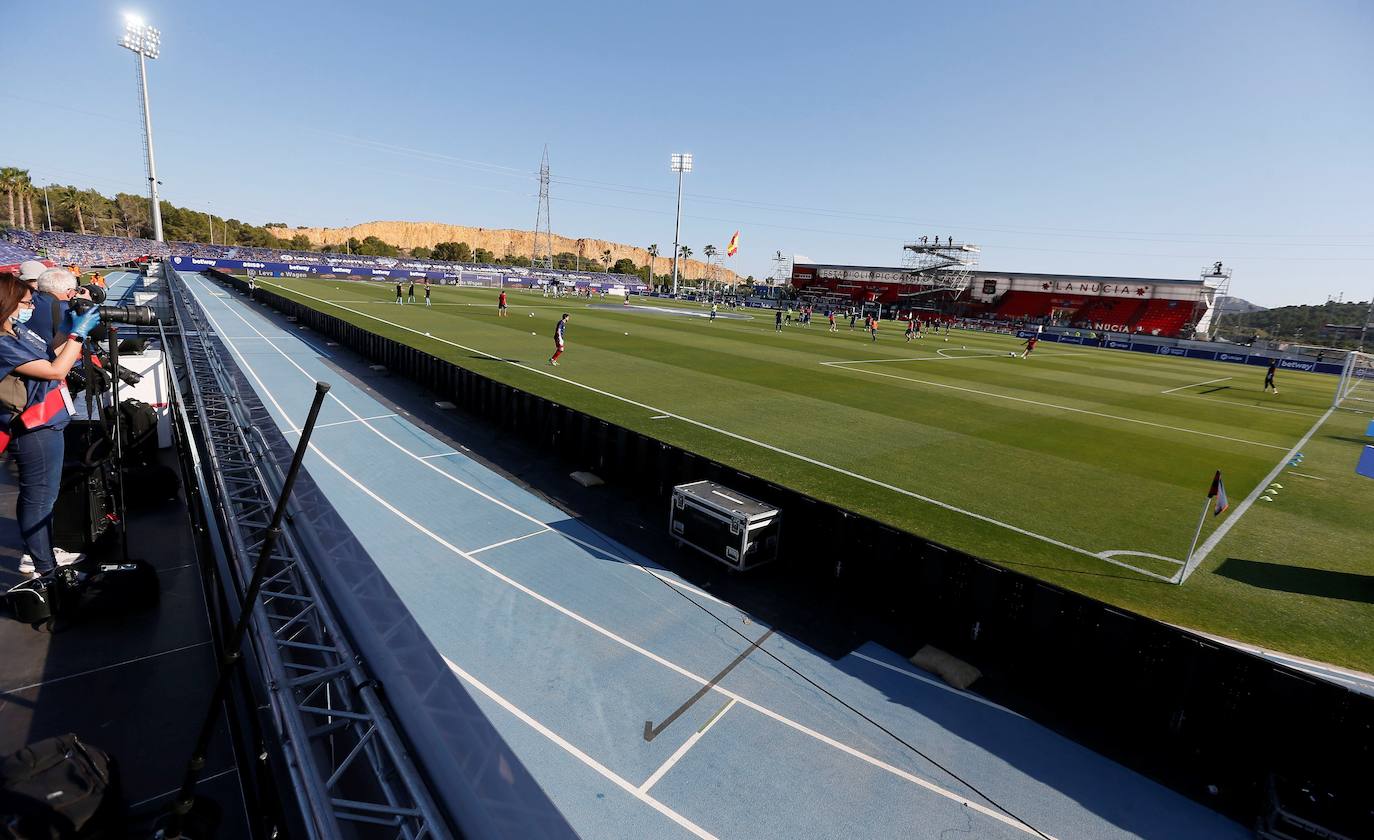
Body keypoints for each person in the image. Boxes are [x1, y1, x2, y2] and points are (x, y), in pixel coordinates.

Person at [0, 275, 102, 578]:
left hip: (47, 419)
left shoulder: (15, 330)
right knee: (40, 498)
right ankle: (43, 566)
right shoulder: (3, 342)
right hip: (34, 427)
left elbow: (50, 355)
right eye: (27, 302)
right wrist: (78, 336)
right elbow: (55, 371)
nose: (32, 307)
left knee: (43, 496)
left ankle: (40, 551)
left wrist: (68, 330)